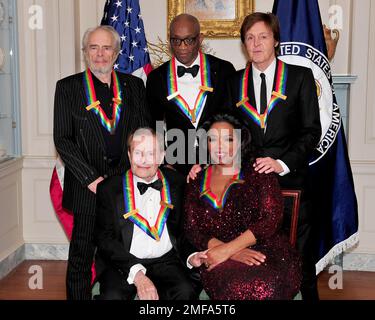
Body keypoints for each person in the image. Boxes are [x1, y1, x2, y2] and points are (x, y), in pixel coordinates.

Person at [226, 13, 322, 300]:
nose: (256, 43)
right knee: (256, 261)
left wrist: (281, 163)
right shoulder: (233, 82)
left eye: (263, 36)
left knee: (299, 261)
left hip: (291, 184)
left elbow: (311, 131)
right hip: (249, 189)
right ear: (244, 44)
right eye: (250, 38)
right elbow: (224, 131)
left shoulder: (299, 77)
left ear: (275, 40)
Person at [53, 25, 150, 300]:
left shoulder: (134, 86)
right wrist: (91, 179)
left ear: (117, 52)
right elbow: (62, 139)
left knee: (123, 255)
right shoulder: (67, 88)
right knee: (81, 260)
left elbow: (143, 133)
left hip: (124, 191)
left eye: (106, 47)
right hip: (87, 190)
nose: (100, 54)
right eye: (93, 48)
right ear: (85, 52)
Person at [184, 113, 302, 300]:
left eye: (228, 139)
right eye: (213, 139)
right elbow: (193, 229)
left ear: (240, 141)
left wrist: (229, 249)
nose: (220, 146)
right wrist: (229, 252)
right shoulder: (196, 179)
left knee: (265, 286)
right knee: (237, 285)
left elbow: (270, 220)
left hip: (267, 252)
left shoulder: (258, 171)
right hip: (219, 256)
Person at [94, 128, 207, 300]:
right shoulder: (109, 188)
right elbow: (105, 239)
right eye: (138, 152)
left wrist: (191, 256)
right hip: (123, 262)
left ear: (161, 156)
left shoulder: (177, 183)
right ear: (130, 156)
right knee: (112, 296)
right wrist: (138, 275)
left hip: (167, 261)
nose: (144, 160)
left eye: (151, 153)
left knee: (185, 292)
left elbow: (182, 231)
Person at [146, 13, 235, 176]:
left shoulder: (223, 70)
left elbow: (231, 119)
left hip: (218, 163)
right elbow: (155, 124)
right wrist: (166, 162)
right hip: (177, 166)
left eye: (189, 40)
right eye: (176, 40)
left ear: (200, 39)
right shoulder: (156, 77)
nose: (182, 46)